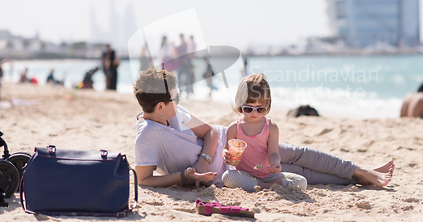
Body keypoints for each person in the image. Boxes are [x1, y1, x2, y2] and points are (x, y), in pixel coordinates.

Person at [133, 69, 394, 189]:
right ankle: (357, 179)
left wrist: (203, 159)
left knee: (299, 153)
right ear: (159, 106)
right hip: (233, 169)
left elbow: (211, 132)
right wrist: (185, 175)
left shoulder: (176, 112)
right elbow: (144, 180)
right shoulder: (147, 137)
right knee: (303, 174)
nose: (179, 102)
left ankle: (361, 170)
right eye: (175, 99)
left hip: (238, 138)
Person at [221, 74, 307, 191]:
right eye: (248, 108)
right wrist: (226, 155)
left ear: (267, 104)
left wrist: (275, 163)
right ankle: (268, 187)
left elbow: (273, 152)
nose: (254, 113)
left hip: (269, 176)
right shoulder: (234, 128)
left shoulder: (271, 127)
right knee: (227, 177)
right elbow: (228, 153)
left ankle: (262, 186)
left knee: (302, 182)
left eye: (260, 108)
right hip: (246, 175)